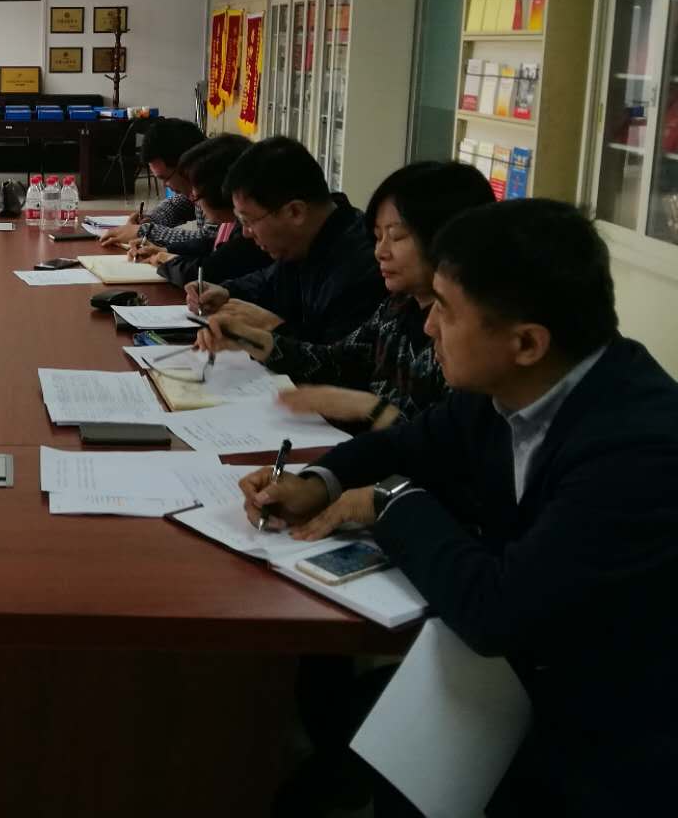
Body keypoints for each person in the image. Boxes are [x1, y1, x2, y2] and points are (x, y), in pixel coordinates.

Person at [242, 200, 678, 816]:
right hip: (517, 675)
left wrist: (389, 501)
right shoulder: (508, 385)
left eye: (445, 310)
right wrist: (320, 480)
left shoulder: (638, 449)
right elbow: (408, 443)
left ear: (526, 342)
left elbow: (497, 611)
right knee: (346, 730)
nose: (427, 328)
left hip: (613, 730)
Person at [196, 161, 495, 427]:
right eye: (378, 236)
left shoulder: (471, 335)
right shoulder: (398, 306)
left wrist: (368, 408)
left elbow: (445, 446)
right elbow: (338, 361)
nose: (380, 251)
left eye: (396, 236)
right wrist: (247, 337)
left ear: (448, 237)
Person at [188, 136, 385, 344]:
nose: (245, 233)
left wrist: (273, 328)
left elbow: (338, 357)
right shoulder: (303, 243)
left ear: (295, 212)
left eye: (248, 221)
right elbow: (267, 281)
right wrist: (227, 292)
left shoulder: (362, 267)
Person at [132, 133, 272, 288]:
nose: (192, 198)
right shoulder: (233, 221)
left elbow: (207, 270)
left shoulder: (249, 231)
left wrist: (166, 260)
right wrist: (165, 249)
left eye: (196, 193)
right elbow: (212, 243)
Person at [95, 117, 211, 251]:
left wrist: (145, 232)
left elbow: (210, 241)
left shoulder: (219, 187)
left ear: (186, 166)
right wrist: (150, 220)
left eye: (165, 178)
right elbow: (180, 205)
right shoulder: (197, 184)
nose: (165, 185)